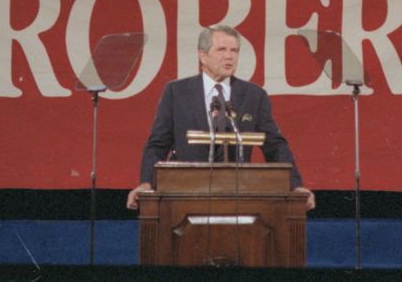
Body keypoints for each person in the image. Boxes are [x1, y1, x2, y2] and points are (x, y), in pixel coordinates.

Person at [127, 25, 315, 210]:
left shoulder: (253, 95)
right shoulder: (177, 92)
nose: (229, 56)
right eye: (221, 50)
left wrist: (296, 185)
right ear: (203, 55)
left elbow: (275, 145)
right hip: (185, 195)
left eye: (234, 50)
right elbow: (158, 144)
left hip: (238, 196)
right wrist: (146, 183)